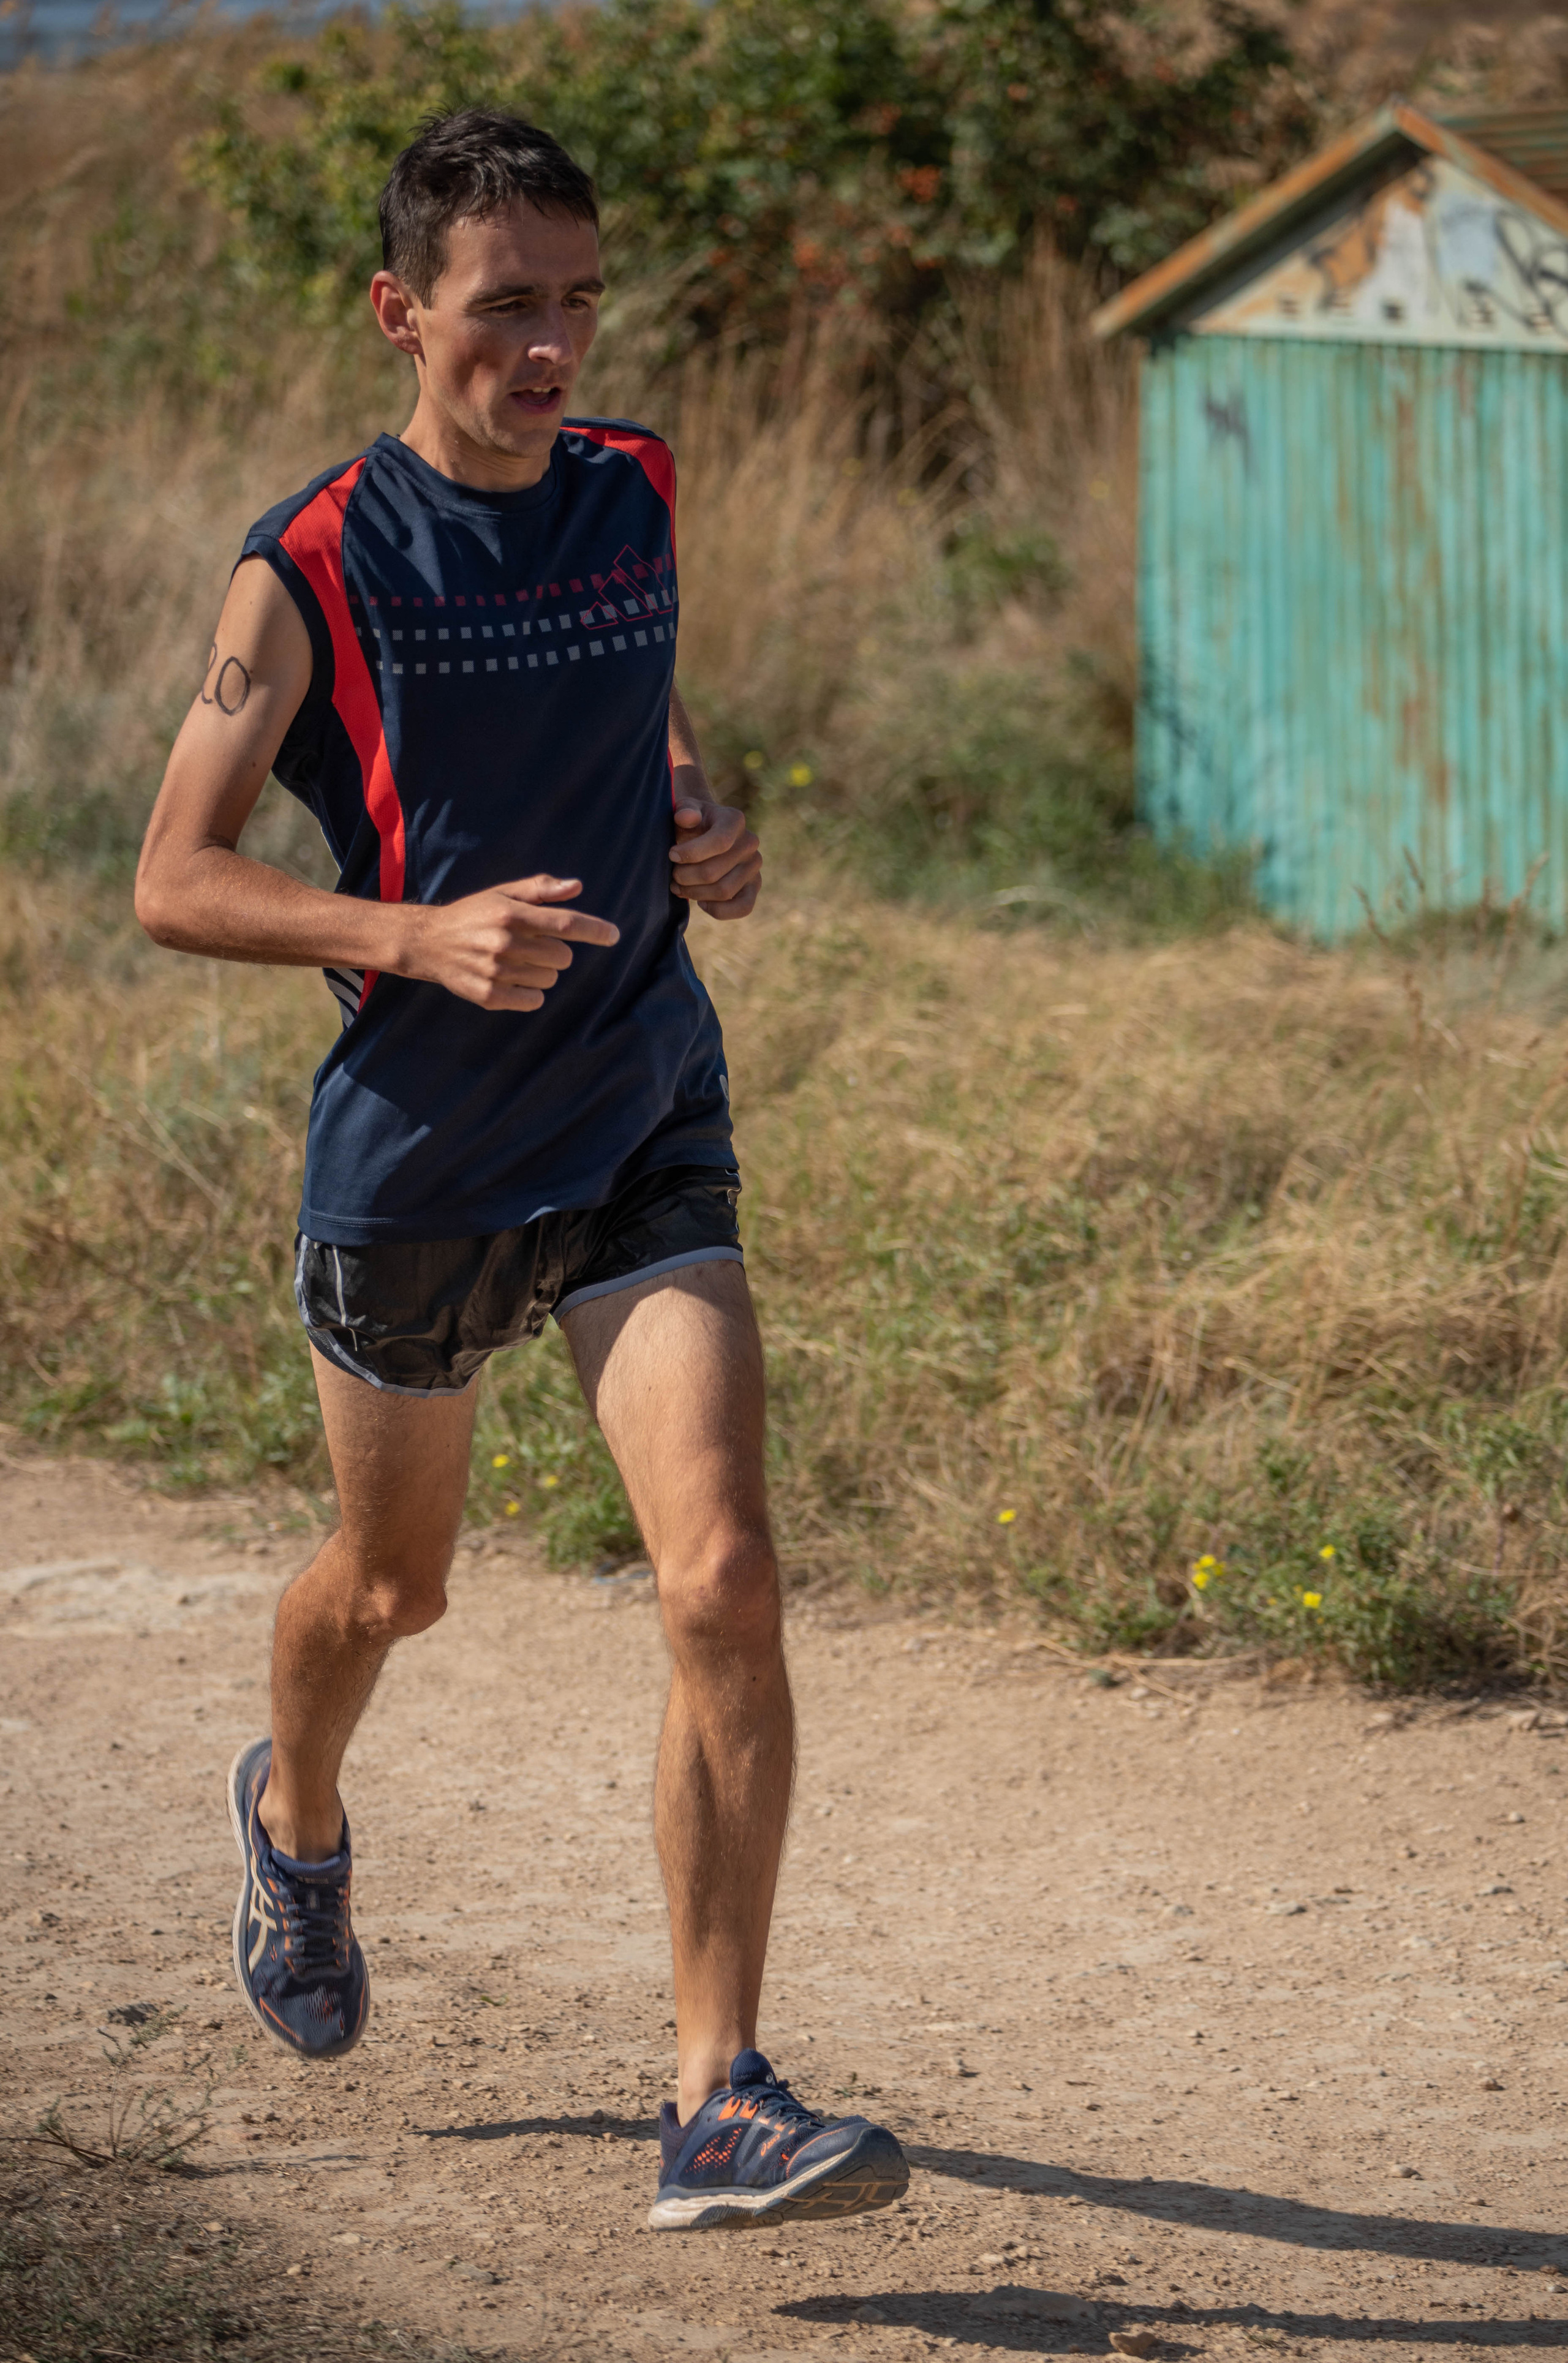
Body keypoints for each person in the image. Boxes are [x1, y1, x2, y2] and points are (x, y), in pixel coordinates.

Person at [135, 106, 907, 2234]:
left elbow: (633, 710)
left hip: (644, 1098)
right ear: (403, 313)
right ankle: (295, 1817)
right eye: (505, 309)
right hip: (419, 1158)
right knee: (395, 1587)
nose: (552, 345)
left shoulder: (638, 483)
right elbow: (172, 878)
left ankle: (715, 2090)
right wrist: (409, 936)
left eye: (578, 299)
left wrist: (704, 816)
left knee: (725, 1573)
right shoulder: (302, 570)